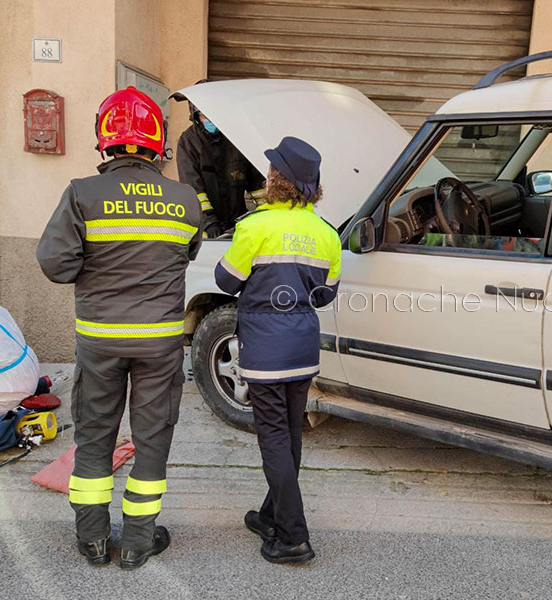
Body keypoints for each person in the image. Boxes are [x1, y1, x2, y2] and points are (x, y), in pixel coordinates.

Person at [37, 87, 202, 569]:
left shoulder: (81, 193)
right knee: (152, 439)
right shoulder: (184, 199)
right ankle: (136, 542)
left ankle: (91, 539)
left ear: (104, 139)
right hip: (160, 344)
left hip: (100, 340)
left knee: (94, 435)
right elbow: (188, 252)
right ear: (158, 141)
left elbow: (55, 264)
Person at [213, 137, 341, 564]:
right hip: (303, 350)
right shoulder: (327, 234)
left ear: (276, 179)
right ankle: (271, 516)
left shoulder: (255, 226)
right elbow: (325, 295)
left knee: (273, 439)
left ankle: (293, 536)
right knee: (290, 434)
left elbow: (225, 281)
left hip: (265, 350)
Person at [176, 89, 265, 238]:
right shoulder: (189, 142)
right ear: (195, 116)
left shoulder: (236, 138)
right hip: (205, 230)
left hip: (238, 226)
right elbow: (192, 189)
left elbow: (257, 185)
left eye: (214, 114)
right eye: (205, 115)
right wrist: (209, 223)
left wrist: (268, 213)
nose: (211, 120)